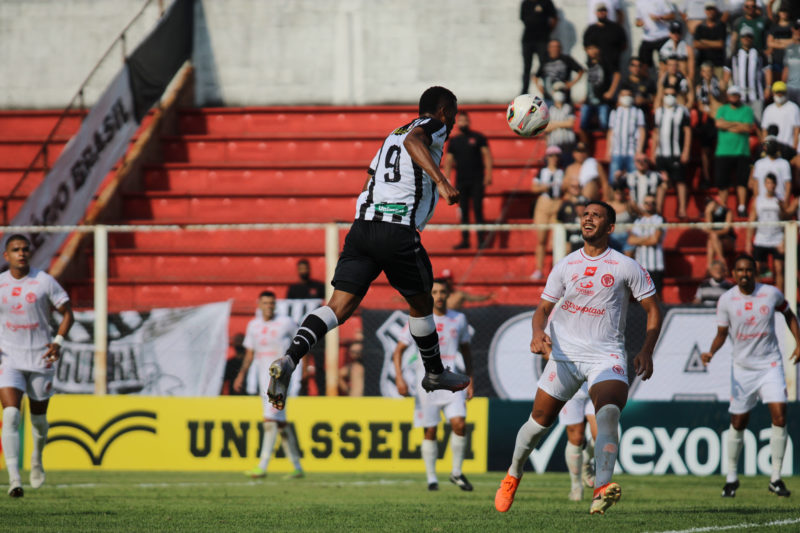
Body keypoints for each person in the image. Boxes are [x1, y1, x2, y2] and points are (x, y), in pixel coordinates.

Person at [266, 87, 470, 412]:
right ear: (444, 111)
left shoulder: (392, 134)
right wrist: (442, 182)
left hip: (363, 226)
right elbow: (414, 141)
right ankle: (434, 372)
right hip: (397, 229)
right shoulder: (432, 126)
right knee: (422, 303)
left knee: (337, 307)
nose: (454, 121)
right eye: (454, 114)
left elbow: (371, 180)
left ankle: (290, 358)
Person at [494, 201, 663, 516]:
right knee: (537, 424)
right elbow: (543, 309)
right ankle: (513, 474)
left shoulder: (626, 266)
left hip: (606, 356)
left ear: (610, 227)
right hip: (565, 357)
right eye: (585, 214)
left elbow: (653, 309)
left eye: (596, 215)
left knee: (608, 413)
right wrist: (537, 332)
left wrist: (647, 349)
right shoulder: (566, 265)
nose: (588, 218)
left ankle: (601, 489)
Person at [701, 253, 800, 498]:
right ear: (733, 274)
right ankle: (731, 478)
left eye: (748, 270)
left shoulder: (770, 293)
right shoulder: (726, 300)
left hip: (770, 365)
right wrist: (711, 352)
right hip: (742, 369)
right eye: (740, 270)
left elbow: (789, 314)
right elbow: (722, 333)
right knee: (738, 422)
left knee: (780, 415)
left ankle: (775, 478)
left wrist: (799, 342)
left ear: (755, 272)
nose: (744, 274)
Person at [0, 234, 74, 498]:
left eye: (25, 249)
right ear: (6, 255)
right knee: (11, 415)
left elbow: (68, 314)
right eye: (15, 249)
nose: (21, 253)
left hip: (41, 358)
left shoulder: (44, 281)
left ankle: (37, 458)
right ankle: (14, 478)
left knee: (39, 420)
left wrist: (58, 342)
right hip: (9, 358)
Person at [393, 278, 474, 492]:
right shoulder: (419, 319)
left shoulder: (459, 319)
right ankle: (431, 479)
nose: (439, 296)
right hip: (427, 383)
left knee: (459, 424)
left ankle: (456, 472)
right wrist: (399, 378)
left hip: (452, 380)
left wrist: (470, 379)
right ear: (430, 295)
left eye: (442, 292)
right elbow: (398, 350)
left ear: (448, 295)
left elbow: (466, 350)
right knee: (430, 430)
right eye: (435, 292)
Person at [235, 291, 305, 479]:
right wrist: (241, 374)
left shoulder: (286, 323)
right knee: (280, 423)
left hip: (280, 379)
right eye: (265, 303)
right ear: (259, 304)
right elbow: (250, 353)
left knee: (269, 421)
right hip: (262, 380)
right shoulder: (253, 325)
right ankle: (297, 467)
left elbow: (302, 344)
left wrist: (304, 369)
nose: (269, 306)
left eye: (272, 303)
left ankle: (262, 466)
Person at [444, 110, 493, 250]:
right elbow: (448, 160)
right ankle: (465, 240)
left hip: (477, 180)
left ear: (469, 121)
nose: (463, 123)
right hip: (461, 181)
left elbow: (487, 155)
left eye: (465, 120)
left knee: (478, 209)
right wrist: (446, 179)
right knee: (463, 210)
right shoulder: (454, 141)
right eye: (460, 121)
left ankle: (481, 240)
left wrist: (488, 175)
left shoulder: (478, 137)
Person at [715, 85, 756, 217]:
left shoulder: (747, 110)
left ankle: (742, 206)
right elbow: (719, 124)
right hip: (723, 152)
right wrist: (738, 124)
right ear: (728, 96)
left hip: (741, 151)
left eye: (736, 95)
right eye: (732, 95)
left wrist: (728, 125)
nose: (734, 97)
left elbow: (747, 127)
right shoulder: (722, 109)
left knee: (742, 181)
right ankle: (723, 207)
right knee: (723, 182)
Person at [653, 86, 693, 219]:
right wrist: (653, 151)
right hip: (661, 154)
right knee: (662, 183)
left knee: (680, 181)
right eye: (666, 94)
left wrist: (686, 150)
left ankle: (682, 210)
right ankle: (658, 211)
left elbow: (687, 131)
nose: (669, 97)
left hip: (676, 153)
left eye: (672, 94)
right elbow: (656, 133)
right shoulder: (659, 111)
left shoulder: (682, 111)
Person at [746, 173, 787, 290]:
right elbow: (752, 220)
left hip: (777, 239)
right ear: (765, 184)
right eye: (768, 183)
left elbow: (786, 221)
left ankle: (780, 296)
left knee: (779, 268)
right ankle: (758, 295)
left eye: (773, 183)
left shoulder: (780, 200)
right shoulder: (758, 200)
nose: (771, 185)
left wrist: (784, 241)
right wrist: (748, 242)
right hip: (761, 239)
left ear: (775, 184)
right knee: (757, 268)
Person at [531, 145, 566, 280]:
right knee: (541, 239)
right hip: (544, 203)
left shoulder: (562, 172)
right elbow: (533, 188)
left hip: (557, 203)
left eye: (556, 156)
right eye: (551, 155)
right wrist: (543, 188)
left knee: (556, 239)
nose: (554, 158)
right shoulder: (542, 172)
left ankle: (557, 270)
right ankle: (539, 269)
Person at [724, 24, 772, 122]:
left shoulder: (759, 54)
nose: (746, 39)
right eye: (744, 36)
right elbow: (726, 74)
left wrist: (768, 87)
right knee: (740, 121)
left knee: (758, 121)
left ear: (753, 38)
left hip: (756, 94)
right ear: (741, 38)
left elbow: (767, 71)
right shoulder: (734, 55)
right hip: (739, 95)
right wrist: (726, 90)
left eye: (749, 36)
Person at [560, 384, 598, 501]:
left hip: (598, 384)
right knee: (576, 437)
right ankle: (576, 486)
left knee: (603, 434)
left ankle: (585, 459)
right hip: (572, 386)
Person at [579, 44, 621, 146]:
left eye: (594, 48)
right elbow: (589, 83)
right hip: (589, 101)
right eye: (589, 48)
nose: (592, 51)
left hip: (603, 101)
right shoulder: (588, 64)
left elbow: (617, 74)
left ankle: (610, 147)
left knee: (605, 124)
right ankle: (585, 149)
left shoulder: (605, 62)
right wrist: (585, 95)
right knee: (582, 125)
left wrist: (611, 92)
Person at [606, 88, 647, 185]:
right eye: (623, 95)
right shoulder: (614, 112)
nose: (626, 98)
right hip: (616, 151)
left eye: (628, 95)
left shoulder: (638, 112)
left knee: (634, 182)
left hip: (632, 152)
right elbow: (611, 132)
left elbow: (641, 131)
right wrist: (608, 151)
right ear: (619, 97)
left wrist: (639, 151)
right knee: (613, 181)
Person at [628, 195, 666, 295]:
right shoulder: (637, 221)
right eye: (647, 203)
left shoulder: (660, 219)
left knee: (656, 296)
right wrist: (648, 238)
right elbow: (631, 240)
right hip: (640, 265)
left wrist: (639, 239)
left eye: (652, 203)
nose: (649, 205)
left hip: (656, 264)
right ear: (643, 205)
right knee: (641, 296)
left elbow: (654, 240)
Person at [520, 0, 558, 95]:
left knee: (544, 66)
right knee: (527, 67)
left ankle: (547, 91)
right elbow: (523, 18)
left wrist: (547, 31)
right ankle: (524, 91)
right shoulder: (525, 3)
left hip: (542, 40)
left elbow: (554, 18)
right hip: (528, 40)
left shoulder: (546, 2)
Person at [695, 61, 725, 186]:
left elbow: (722, 101)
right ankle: (706, 177)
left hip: (719, 118)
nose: (707, 74)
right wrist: (710, 110)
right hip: (707, 120)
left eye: (709, 71)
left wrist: (715, 110)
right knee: (705, 150)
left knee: (720, 150)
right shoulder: (699, 87)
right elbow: (700, 105)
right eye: (704, 71)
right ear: (701, 73)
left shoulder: (719, 85)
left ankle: (720, 177)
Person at [534, 39, 585, 104]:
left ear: (560, 48)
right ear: (549, 48)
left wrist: (571, 83)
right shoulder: (544, 60)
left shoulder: (566, 59)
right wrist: (539, 86)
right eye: (552, 46)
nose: (555, 49)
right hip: (548, 98)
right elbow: (535, 76)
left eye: (557, 46)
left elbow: (581, 70)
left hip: (564, 99)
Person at [583, 4, 628, 70]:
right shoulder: (591, 29)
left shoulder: (616, 28)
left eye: (603, 10)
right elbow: (586, 46)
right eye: (599, 11)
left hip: (612, 66)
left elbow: (624, 45)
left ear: (607, 12)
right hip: (595, 66)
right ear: (596, 13)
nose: (601, 13)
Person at [636, 0, 676, 73]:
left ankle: (664, 79)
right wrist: (639, 23)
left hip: (662, 37)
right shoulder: (639, 2)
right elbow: (638, 19)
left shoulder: (662, 1)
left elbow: (672, 15)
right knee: (643, 65)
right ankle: (646, 80)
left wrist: (660, 17)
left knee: (665, 64)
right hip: (647, 38)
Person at [750, 136, 793, 201]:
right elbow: (755, 184)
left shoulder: (784, 164)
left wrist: (785, 202)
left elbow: (788, 185)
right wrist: (758, 201)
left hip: (779, 201)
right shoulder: (759, 164)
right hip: (762, 202)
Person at [693, 2, 728, 80]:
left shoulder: (721, 26)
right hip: (703, 63)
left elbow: (720, 44)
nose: (710, 12)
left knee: (718, 84)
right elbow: (696, 44)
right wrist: (714, 43)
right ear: (705, 11)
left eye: (712, 9)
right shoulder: (700, 27)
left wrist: (704, 41)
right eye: (708, 9)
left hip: (718, 63)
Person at [761, 81, 800, 149]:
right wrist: (766, 147)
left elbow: (797, 130)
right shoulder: (768, 109)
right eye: (777, 93)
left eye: (781, 93)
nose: (779, 95)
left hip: (788, 147)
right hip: (773, 148)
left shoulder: (793, 108)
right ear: (773, 93)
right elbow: (764, 131)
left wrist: (794, 148)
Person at [544, 82, 577, 161]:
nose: (559, 93)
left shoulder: (569, 107)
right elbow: (546, 128)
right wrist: (563, 123)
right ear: (553, 92)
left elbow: (570, 123)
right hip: (553, 146)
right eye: (557, 90)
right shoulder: (549, 109)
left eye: (561, 90)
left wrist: (553, 124)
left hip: (568, 146)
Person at [703, 195, 736, 270]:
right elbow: (708, 229)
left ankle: (712, 265)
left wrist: (714, 233)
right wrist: (708, 213)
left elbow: (726, 230)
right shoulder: (709, 213)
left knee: (712, 237)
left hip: (728, 239)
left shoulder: (727, 211)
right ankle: (714, 264)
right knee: (710, 241)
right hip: (716, 241)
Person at [607, 181, 639, 257]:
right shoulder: (608, 205)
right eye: (617, 192)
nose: (619, 194)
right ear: (613, 192)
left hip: (627, 238)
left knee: (628, 261)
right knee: (614, 261)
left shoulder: (630, 204)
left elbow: (641, 217)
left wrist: (634, 230)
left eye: (621, 192)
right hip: (613, 238)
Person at [784, 20, 800, 105]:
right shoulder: (789, 48)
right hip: (790, 88)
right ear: (793, 29)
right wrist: (783, 85)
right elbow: (786, 69)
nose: (799, 31)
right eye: (797, 28)